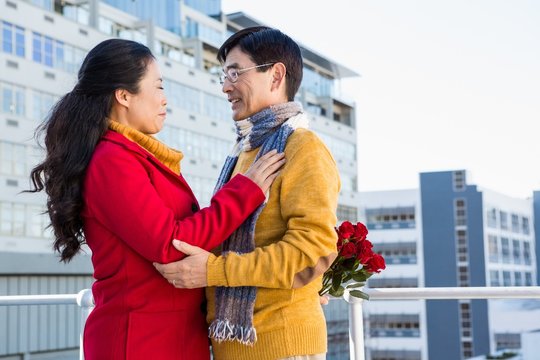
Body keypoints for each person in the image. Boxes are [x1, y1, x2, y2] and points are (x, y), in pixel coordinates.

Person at [28, 38, 286, 360]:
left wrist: (286, 287)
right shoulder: (112, 160)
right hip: (138, 340)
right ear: (124, 95)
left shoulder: (137, 157)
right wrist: (245, 192)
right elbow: (170, 244)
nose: (165, 100)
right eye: (159, 87)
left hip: (172, 336)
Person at [155, 26, 341, 360]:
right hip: (232, 345)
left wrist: (214, 270)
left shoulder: (303, 148)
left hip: (281, 345)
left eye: (236, 72)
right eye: (223, 75)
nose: (226, 86)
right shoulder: (242, 152)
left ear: (275, 76)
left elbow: (312, 251)